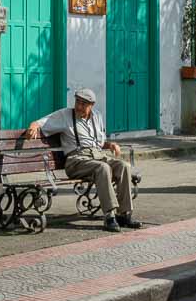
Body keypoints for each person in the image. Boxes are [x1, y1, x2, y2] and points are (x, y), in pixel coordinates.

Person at [26, 89, 140, 233]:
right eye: (77, 102)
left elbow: (98, 142)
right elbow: (41, 122)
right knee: (103, 168)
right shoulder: (65, 115)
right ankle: (109, 216)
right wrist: (33, 126)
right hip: (76, 160)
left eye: (84, 104)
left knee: (124, 166)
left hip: (97, 156)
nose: (79, 107)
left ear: (91, 105)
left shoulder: (97, 116)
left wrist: (110, 145)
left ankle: (124, 214)